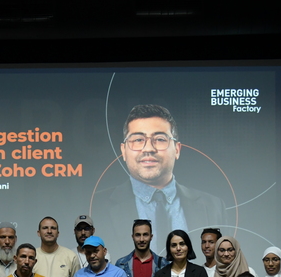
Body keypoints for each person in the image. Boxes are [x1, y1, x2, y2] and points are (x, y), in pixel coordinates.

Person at [91, 105, 228, 252]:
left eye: (160, 139)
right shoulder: (96, 205)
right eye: (138, 139)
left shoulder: (213, 207)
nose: (148, 148)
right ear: (123, 151)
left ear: (177, 149)